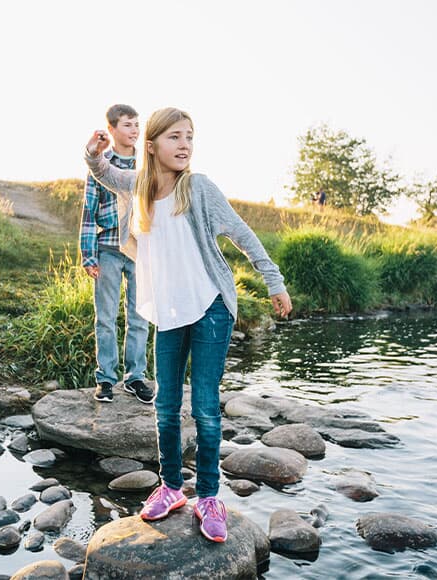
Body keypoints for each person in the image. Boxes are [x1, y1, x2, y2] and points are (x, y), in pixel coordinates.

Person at [84, 108, 292, 543]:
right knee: (165, 406)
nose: (184, 145)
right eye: (175, 137)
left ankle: (211, 497)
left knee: (204, 408)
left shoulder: (197, 188)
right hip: (168, 311)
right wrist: (93, 154)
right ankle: (172, 487)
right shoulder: (139, 187)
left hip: (210, 306)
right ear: (153, 143)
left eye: (190, 138)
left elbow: (241, 233)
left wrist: (274, 281)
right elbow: (104, 174)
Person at [80, 104, 152, 405]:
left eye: (137, 124)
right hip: (107, 248)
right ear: (111, 129)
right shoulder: (100, 163)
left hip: (140, 250)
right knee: (106, 317)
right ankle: (106, 379)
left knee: (140, 317)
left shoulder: (147, 166)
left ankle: (135, 377)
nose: (134, 130)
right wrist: (88, 255)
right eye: (127, 125)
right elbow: (88, 210)